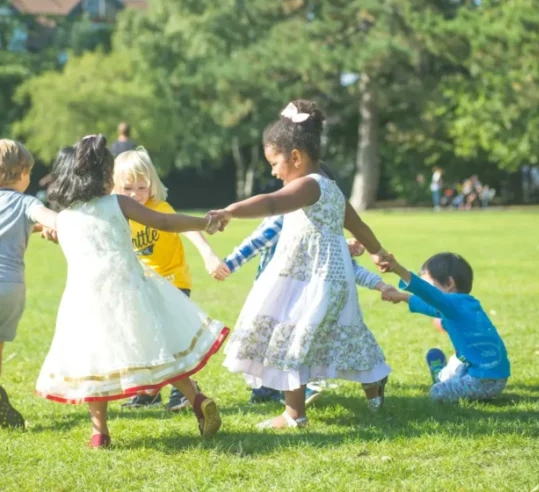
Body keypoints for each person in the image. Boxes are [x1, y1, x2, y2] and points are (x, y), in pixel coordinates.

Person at [208, 100, 391, 430]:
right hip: (334, 277)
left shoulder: (308, 186)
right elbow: (358, 225)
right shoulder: (331, 188)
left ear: (296, 157)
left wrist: (231, 210)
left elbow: (272, 202)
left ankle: (295, 414)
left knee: (293, 335)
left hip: (311, 278)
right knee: (343, 333)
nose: (273, 171)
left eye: (275, 163)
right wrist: (378, 252)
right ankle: (374, 390)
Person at [35, 135, 228, 448]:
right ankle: (196, 399)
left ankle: (99, 433)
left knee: (93, 362)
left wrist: (52, 232)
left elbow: (70, 235)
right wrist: (205, 222)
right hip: (131, 290)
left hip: (85, 300)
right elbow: (164, 221)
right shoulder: (117, 203)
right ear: (104, 177)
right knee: (160, 346)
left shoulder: (64, 219)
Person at [113, 147, 229, 412]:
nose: (135, 195)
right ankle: (149, 392)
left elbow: (188, 228)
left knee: (169, 339)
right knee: (143, 337)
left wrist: (208, 254)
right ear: (115, 186)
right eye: (128, 188)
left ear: (153, 184)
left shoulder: (160, 208)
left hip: (173, 282)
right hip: (142, 285)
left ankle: (185, 392)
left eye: (142, 187)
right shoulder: (118, 213)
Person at [379, 252, 510, 402]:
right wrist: (402, 297)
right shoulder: (467, 303)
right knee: (456, 363)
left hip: (482, 380)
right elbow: (428, 306)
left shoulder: (451, 304)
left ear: (449, 283)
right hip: (494, 375)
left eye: (430, 286)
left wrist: (398, 270)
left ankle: (439, 377)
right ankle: (443, 375)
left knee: (437, 392)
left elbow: (427, 294)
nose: (429, 294)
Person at [0, 140, 58, 429]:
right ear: (21, 172)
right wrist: (54, 227)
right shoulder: (27, 202)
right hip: (10, 287)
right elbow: (52, 220)